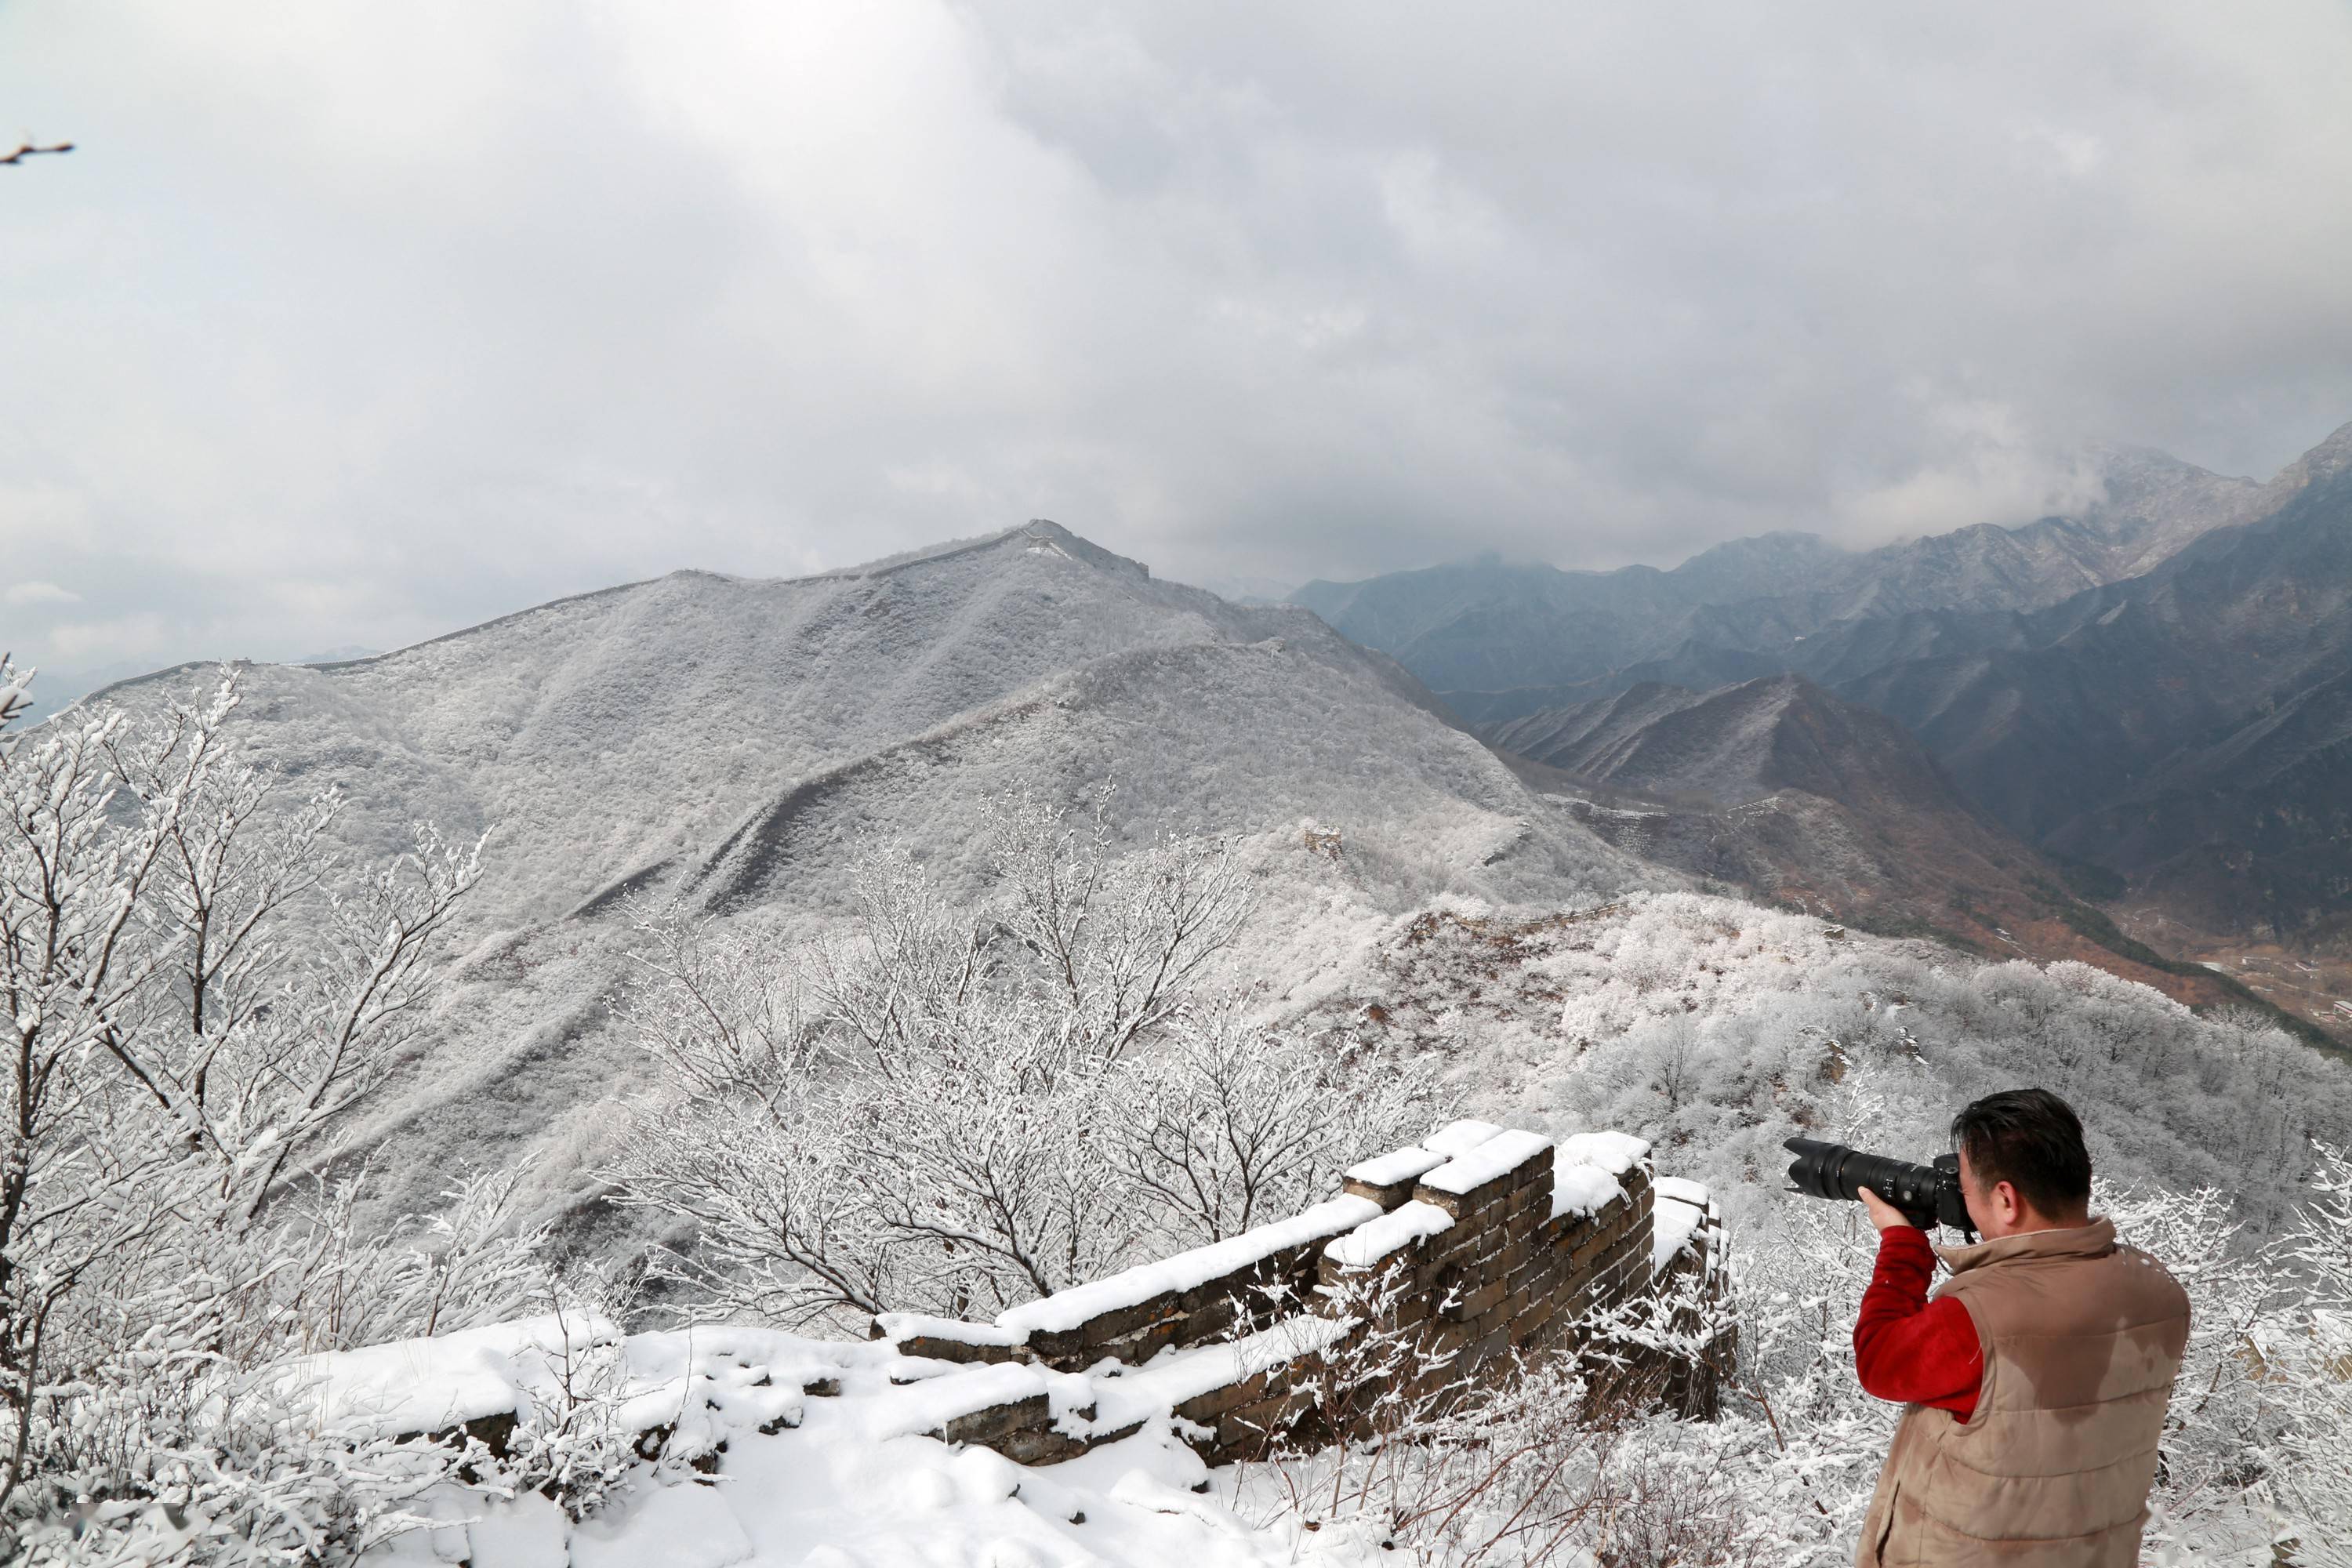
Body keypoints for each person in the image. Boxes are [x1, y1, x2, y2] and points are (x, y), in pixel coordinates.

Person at [1849, 1088, 2190, 1566]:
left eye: (1964, 1189)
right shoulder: (2162, 1294)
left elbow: (1879, 1361)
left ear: (2006, 1199)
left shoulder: (1976, 1319)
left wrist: (1903, 1244)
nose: (1960, 1199)